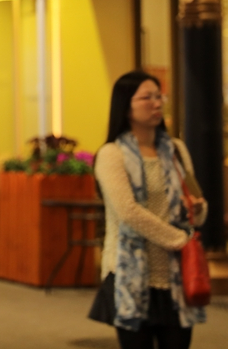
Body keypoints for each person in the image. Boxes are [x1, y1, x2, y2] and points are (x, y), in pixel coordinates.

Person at [88, 71, 206, 349]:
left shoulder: (176, 150)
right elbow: (128, 212)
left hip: (176, 276)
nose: (156, 103)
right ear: (125, 106)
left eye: (158, 96)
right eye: (146, 98)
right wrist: (178, 239)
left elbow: (197, 202)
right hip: (129, 275)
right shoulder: (111, 154)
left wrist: (198, 210)